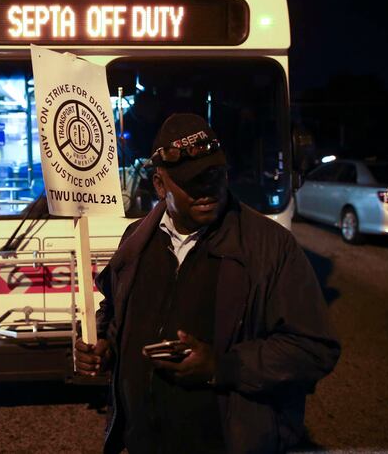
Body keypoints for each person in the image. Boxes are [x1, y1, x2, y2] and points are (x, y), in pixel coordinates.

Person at [75, 113, 340, 453]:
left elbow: (314, 348)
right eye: (191, 181)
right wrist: (105, 347)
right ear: (159, 185)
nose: (207, 191)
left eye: (215, 175)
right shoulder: (136, 240)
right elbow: (115, 313)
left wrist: (222, 366)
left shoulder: (270, 247)